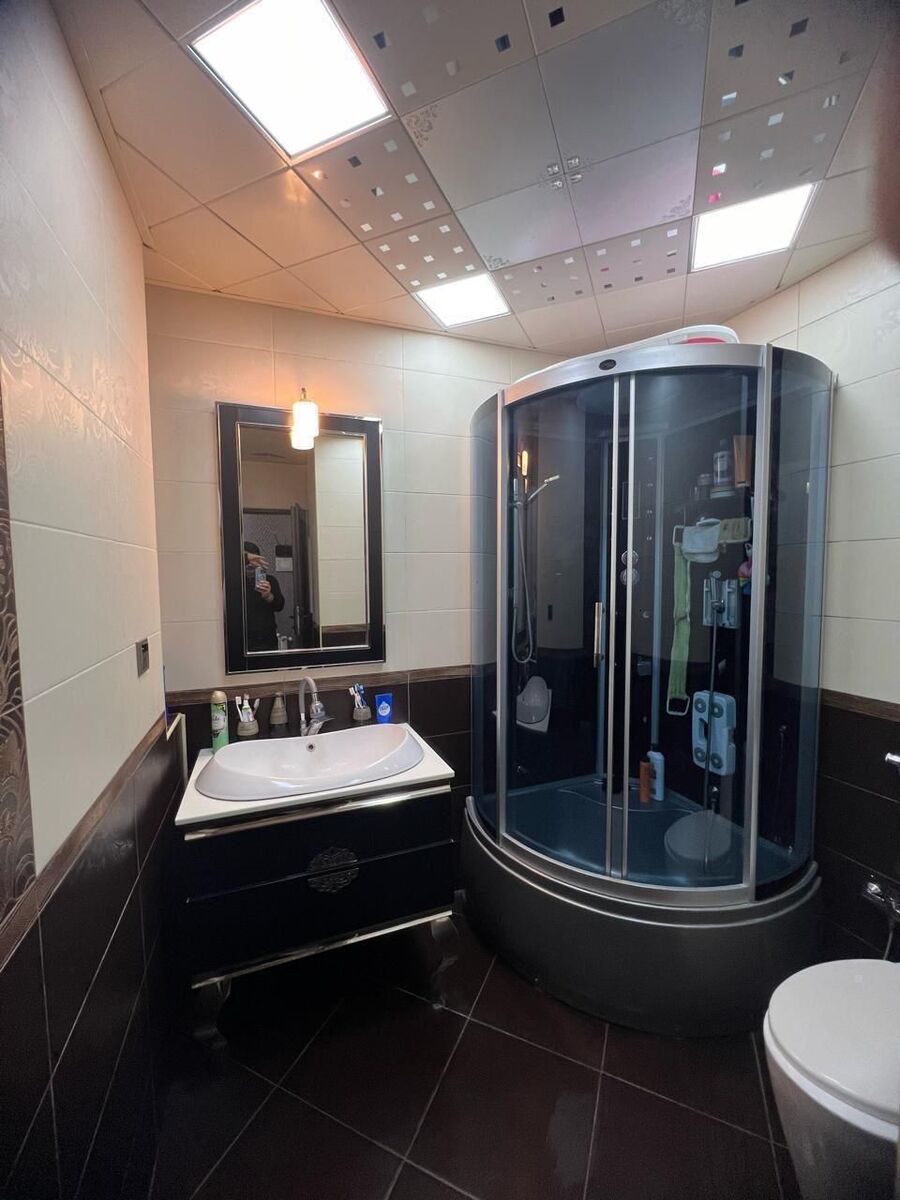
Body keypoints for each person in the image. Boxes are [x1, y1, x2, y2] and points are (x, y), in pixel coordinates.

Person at [243, 541, 285, 651]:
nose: (250, 565)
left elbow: (280, 606)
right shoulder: (235, 583)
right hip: (243, 641)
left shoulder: (270, 580)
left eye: (254, 561)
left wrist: (269, 596)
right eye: (248, 561)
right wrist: (245, 558)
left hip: (267, 640)